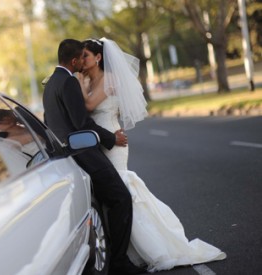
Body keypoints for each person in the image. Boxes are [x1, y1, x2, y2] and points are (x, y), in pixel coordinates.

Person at [78, 37, 227, 272]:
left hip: (114, 143)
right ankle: (121, 249)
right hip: (98, 142)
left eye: (85, 55)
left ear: (98, 57)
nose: (81, 60)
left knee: (122, 192)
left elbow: (88, 106)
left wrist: (76, 80)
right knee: (109, 197)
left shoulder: (110, 79)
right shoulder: (87, 80)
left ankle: (150, 247)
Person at [43, 38, 145, 275]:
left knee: (103, 203)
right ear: (74, 60)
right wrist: (111, 139)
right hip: (85, 151)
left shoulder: (50, 83)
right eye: (81, 58)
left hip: (69, 154)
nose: (82, 63)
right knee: (121, 198)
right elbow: (81, 123)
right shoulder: (68, 82)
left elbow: (51, 122)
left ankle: (112, 256)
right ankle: (119, 263)